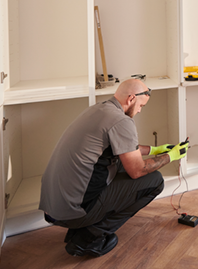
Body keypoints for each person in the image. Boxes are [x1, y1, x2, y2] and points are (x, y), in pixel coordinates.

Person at [39, 78, 189, 257]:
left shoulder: (100, 109)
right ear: (131, 98)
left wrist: (155, 149)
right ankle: (88, 238)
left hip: (54, 207)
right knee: (154, 181)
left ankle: (81, 228)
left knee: (118, 163)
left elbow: (123, 147)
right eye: (141, 105)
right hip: (72, 212)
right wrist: (170, 157)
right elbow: (137, 170)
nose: (140, 110)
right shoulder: (121, 121)